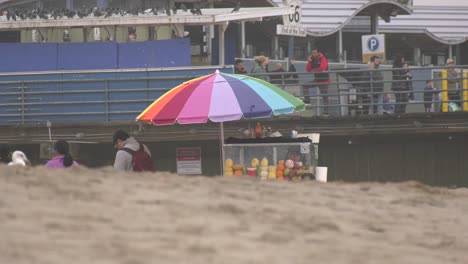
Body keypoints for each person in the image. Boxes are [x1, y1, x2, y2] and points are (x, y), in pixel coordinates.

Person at [305, 48, 330, 114]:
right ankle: (307, 100)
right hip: (316, 80)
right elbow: (308, 69)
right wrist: (309, 61)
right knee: (305, 85)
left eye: (315, 53)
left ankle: (326, 112)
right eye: (312, 53)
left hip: (324, 81)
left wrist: (314, 70)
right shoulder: (312, 60)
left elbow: (322, 68)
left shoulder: (323, 59)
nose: (313, 54)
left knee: (325, 97)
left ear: (318, 53)